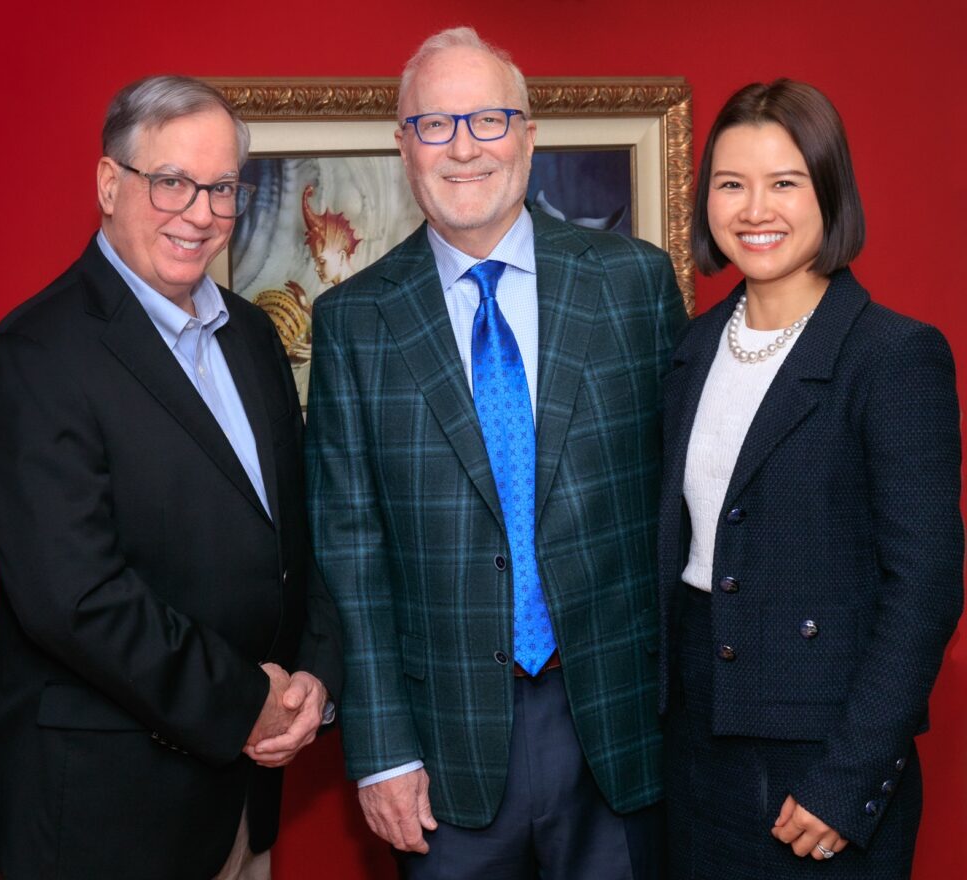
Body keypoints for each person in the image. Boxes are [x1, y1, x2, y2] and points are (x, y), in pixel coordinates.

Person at [305, 26, 687, 879]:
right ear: (404, 147)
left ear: (528, 134)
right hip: (444, 751)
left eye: (489, 119)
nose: (465, 146)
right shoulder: (354, 322)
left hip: (622, 729)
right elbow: (350, 552)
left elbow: (684, 501)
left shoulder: (634, 285)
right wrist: (381, 749)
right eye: (436, 125)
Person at [0, 75, 342, 880]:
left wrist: (314, 676)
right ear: (109, 184)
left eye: (223, 189)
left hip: (242, 802)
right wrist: (244, 702)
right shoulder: (33, 357)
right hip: (102, 819)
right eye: (172, 181)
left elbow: (291, 538)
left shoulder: (251, 337)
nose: (200, 212)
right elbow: (77, 598)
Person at [657, 79, 962, 879]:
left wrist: (849, 781)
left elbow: (926, 587)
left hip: (820, 770)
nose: (755, 209)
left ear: (830, 192)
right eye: (732, 184)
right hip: (691, 752)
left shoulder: (893, 357)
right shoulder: (689, 352)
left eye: (785, 182)